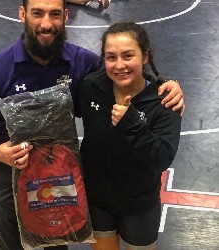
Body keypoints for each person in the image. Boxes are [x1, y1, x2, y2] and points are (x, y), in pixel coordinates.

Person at [0, 0, 183, 249]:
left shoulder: (82, 62)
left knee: (56, 244)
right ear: (22, 15)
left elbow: (124, 71)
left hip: (60, 174)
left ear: (65, 16)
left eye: (55, 14)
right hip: (12, 172)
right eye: (37, 13)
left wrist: (165, 85)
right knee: (12, 245)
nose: (46, 23)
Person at [77, 22, 182, 250]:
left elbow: (162, 158)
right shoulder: (90, 88)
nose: (119, 65)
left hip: (139, 205)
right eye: (111, 57)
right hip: (98, 201)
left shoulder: (164, 101)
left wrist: (132, 122)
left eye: (128, 56)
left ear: (145, 56)